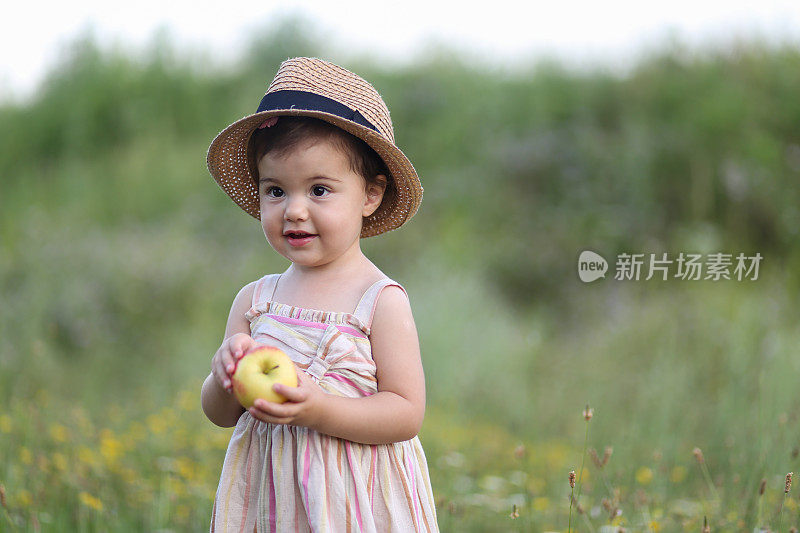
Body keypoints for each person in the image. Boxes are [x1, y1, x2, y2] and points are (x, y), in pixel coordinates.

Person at [200, 57, 439, 532]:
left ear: (369, 196)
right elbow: (220, 415)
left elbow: (405, 412)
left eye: (320, 190)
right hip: (272, 504)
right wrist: (223, 377)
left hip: (355, 501)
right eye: (275, 191)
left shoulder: (379, 300)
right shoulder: (255, 301)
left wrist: (319, 409)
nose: (294, 210)